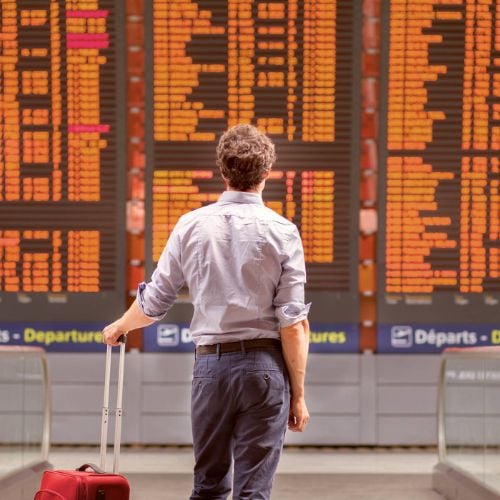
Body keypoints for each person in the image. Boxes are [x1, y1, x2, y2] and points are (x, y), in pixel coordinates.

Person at [103, 124, 310, 499]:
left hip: (211, 370)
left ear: (222, 171)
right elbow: (293, 324)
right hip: (265, 371)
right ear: (266, 174)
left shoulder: (191, 226)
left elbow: (154, 302)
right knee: (254, 491)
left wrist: (120, 326)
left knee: (209, 487)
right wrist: (297, 395)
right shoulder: (284, 231)